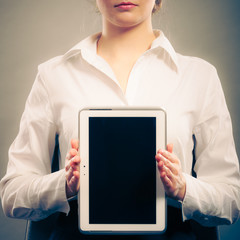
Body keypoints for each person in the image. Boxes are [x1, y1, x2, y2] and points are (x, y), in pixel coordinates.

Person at [1, 0, 240, 239]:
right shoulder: (53, 75)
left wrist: (183, 188)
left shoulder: (200, 76)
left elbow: (231, 200)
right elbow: (13, 195)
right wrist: (64, 185)